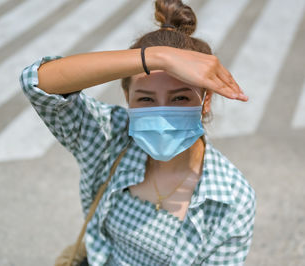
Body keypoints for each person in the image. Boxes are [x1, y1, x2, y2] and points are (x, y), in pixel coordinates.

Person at [20, 0, 256, 265]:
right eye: (146, 100)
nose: (163, 114)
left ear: (206, 100)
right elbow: (36, 83)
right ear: (127, 97)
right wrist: (156, 57)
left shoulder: (230, 197)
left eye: (179, 99)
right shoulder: (109, 136)